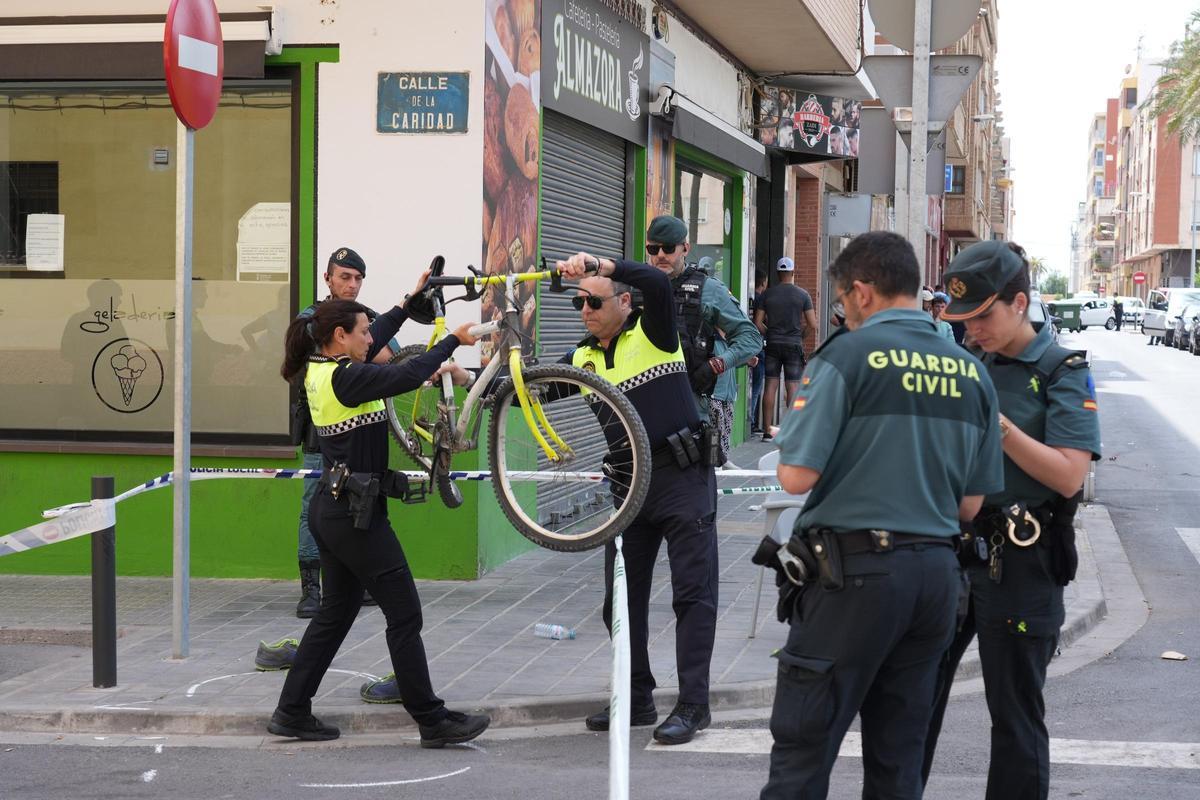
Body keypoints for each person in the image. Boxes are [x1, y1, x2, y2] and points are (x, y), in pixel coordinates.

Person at [758, 230, 1003, 799]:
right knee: (898, 759)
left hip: (854, 579)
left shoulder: (845, 356)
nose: (842, 312)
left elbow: (796, 475)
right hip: (937, 581)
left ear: (862, 292)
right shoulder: (971, 371)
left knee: (804, 750)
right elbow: (971, 504)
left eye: (842, 301)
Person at [442, 242, 719, 746]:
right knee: (620, 600)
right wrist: (467, 380)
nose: (585, 310)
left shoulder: (656, 335)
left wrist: (600, 264)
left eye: (594, 300)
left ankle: (693, 706)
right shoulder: (583, 359)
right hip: (628, 490)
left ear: (623, 304)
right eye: (579, 302)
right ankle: (636, 699)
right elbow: (531, 390)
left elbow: (657, 282)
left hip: (682, 480)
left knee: (692, 595)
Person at [269, 292, 490, 748]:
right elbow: (406, 371)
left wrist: (409, 303)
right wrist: (452, 340)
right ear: (340, 336)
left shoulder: (321, 368)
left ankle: (291, 711)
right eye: (363, 333)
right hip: (353, 517)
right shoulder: (347, 378)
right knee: (404, 612)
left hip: (335, 509)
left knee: (336, 613)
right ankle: (431, 719)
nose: (372, 339)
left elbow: (379, 339)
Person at [923, 241, 1101, 800]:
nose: (971, 330)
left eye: (982, 317)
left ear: (1019, 302)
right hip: (954, 555)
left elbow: (1069, 476)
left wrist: (998, 426)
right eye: (962, 320)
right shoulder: (970, 367)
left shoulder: (1061, 371)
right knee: (911, 699)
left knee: (1016, 716)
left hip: (1023, 558)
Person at [293, 247, 400, 618]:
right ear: (328, 278)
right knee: (314, 505)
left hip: (359, 430)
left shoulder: (362, 319)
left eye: (357, 278)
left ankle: (360, 579)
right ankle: (310, 588)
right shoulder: (311, 318)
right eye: (344, 277)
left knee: (363, 500)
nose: (351, 285)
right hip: (320, 428)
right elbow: (372, 356)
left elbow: (390, 358)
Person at [643, 215, 759, 468]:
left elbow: (750, 339)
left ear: (685, 248)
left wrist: (717, 364)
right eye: (653, 249)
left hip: (693, 405)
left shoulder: (708, 289)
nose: (660, 255)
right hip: (646, 403)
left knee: (699, 478)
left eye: (668, 248)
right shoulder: (638, 287)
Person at [755, 256, 817, 441]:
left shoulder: (767, 295)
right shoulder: (803, 295)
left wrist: (770, 333)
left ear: (777, 273)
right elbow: (812, 324)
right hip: (793, 345)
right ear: (792, 272)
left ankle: (767, 431)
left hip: (773, 344)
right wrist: (799, 337)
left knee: (770, 385)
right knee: (793, 387)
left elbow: (757, 323)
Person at [749, 270, 768, 434]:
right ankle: (752, 422)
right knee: (756, 385)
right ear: (764, 282)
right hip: (758, 345)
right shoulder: (761, 299)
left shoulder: (751, 298)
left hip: (750, 346)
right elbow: (758, 323)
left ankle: (751, 420)